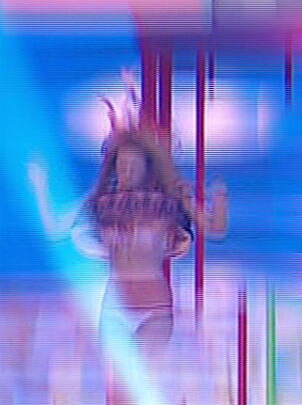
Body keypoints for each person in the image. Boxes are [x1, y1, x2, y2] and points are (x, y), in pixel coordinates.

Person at [28, 70, 228, 403]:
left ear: (149, 167)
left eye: (134, 165)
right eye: (121, 165)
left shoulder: (167, 202)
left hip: (154, 308)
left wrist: (220, 200)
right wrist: (40, 186)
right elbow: (55, 229)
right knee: (117, 390)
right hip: (114, 308)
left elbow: (215, 229)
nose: (127, 171)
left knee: (141, 383)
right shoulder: (101, 203)